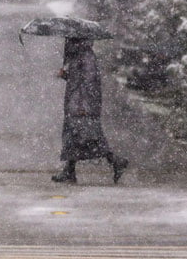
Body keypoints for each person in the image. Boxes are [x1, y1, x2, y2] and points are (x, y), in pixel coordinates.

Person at [51, 38, 129, 184]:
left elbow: (89, 82)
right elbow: (77, 80)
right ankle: (70, 171)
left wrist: (83, 106)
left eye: (69, 38)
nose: (66, 41)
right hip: (76, 103)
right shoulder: (78, 55)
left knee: (89, 138)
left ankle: (116, 161)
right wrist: (65, 76)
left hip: (82, 105)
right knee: (75, 138)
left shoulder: (86, 56)